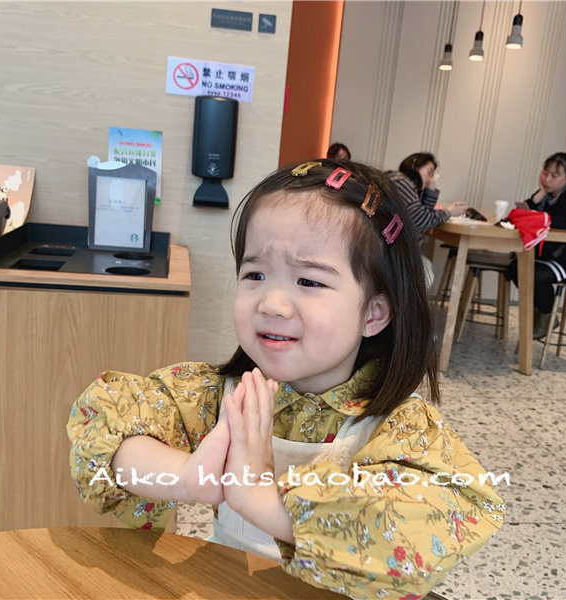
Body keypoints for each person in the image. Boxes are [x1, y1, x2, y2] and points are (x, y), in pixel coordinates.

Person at [68, 160, 505, 599]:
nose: (272, 303)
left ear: (373, 314)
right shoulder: (216, 396)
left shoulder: (398, 428)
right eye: (255, 275)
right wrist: (183, 476)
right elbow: (105, 430)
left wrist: (259, 497)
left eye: (308, 281)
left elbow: (431, 523)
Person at [507, 152, 566, 339]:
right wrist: (539, 195)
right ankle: (544, 314)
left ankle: (545, 315)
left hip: (565, 258)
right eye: (545, 173)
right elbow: (525, 213)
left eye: (554, 175)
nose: (547, 179)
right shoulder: (545, 196)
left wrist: (544, 218)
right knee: (515, 268)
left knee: (535, 275)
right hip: (543, 254)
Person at [388, 153, 467, 288]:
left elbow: (424, 214)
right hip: (392, 253)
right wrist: (449, 212)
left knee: (426, 267)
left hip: (396, 251)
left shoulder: (404, 183)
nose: (430, 179)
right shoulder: (401, 181)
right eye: (429, 173)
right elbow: (421, 220)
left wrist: (431, 187)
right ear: (415, 163)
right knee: (426, 273)